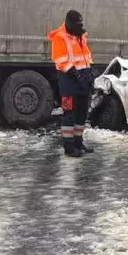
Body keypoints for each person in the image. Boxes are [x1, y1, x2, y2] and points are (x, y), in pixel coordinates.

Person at [48, 10, 95, 157]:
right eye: (77, 24)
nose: (80, 26)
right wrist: (76, 74)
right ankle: (69, 147)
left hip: (83, 79)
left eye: (81, 23)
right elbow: (60, 60)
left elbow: (86, 56)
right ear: (69, 23)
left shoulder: (81, 36)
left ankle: (78, 142)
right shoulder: (60, 37)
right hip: (69, 80)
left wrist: (90, 72)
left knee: (82, 114)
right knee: (69, 114)